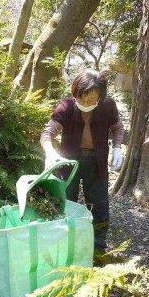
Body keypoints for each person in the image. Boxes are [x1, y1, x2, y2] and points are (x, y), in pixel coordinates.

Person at [40, 69, 124, 253]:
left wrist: (117, 148)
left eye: (91, 100)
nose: (86, 104)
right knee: (64, 200)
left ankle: (97, 246)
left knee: (99, 203)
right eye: (81, 99)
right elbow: (48, 132)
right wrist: (50, 152)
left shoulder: (107, 105)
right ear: (75, 93)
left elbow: (118, 128)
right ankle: (63, 243)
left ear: (100, 97)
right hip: (68, 161)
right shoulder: (67, 107)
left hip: (97, 160)